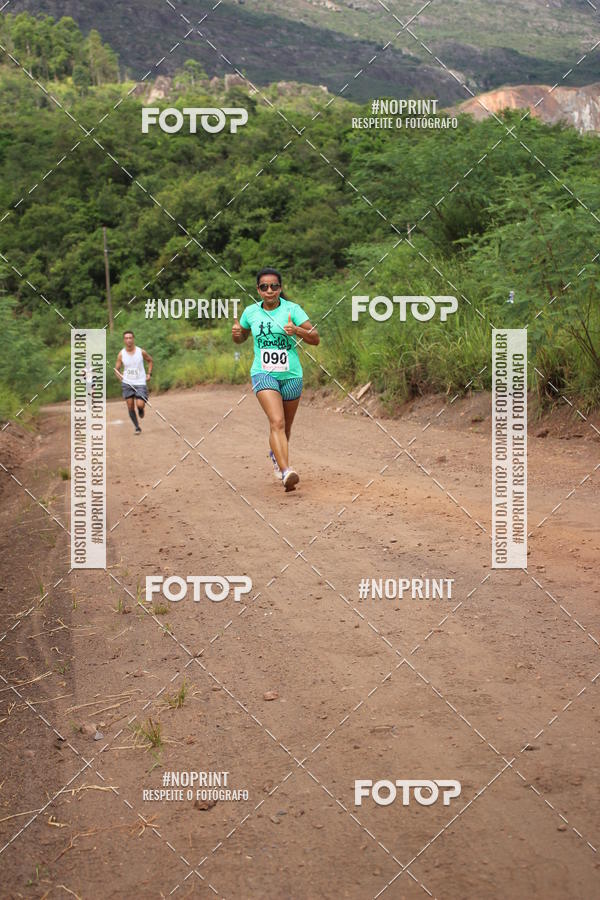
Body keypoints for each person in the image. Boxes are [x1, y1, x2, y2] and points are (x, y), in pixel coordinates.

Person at [232, 267, 320, 490]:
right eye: (264, 287)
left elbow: (315, 338)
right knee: (277, 422)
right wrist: (237, 335)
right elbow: (241, 337)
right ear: (258, 290)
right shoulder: (250, 312)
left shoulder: (293, 309)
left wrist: (297, 330)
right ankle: (286, 471)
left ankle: (276, 455)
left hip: (291, 375)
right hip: (263, 374)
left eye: (274, 286)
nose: (269, 290)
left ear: (280, 289)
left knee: (286, 427)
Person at [114, 330, 153, 434]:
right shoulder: (121, 354)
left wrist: (149, 374)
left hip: (140, 382)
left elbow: (150, 360)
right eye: (126, 338)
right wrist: (121, 378)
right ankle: (137, 427)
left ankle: (141, 409)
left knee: (140, 404)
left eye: (130, 338)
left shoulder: (141, 352)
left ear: (133, 339)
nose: (128, 340)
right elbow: (116, 369)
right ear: (124, 340)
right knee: (130, 406)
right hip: (127, 383)